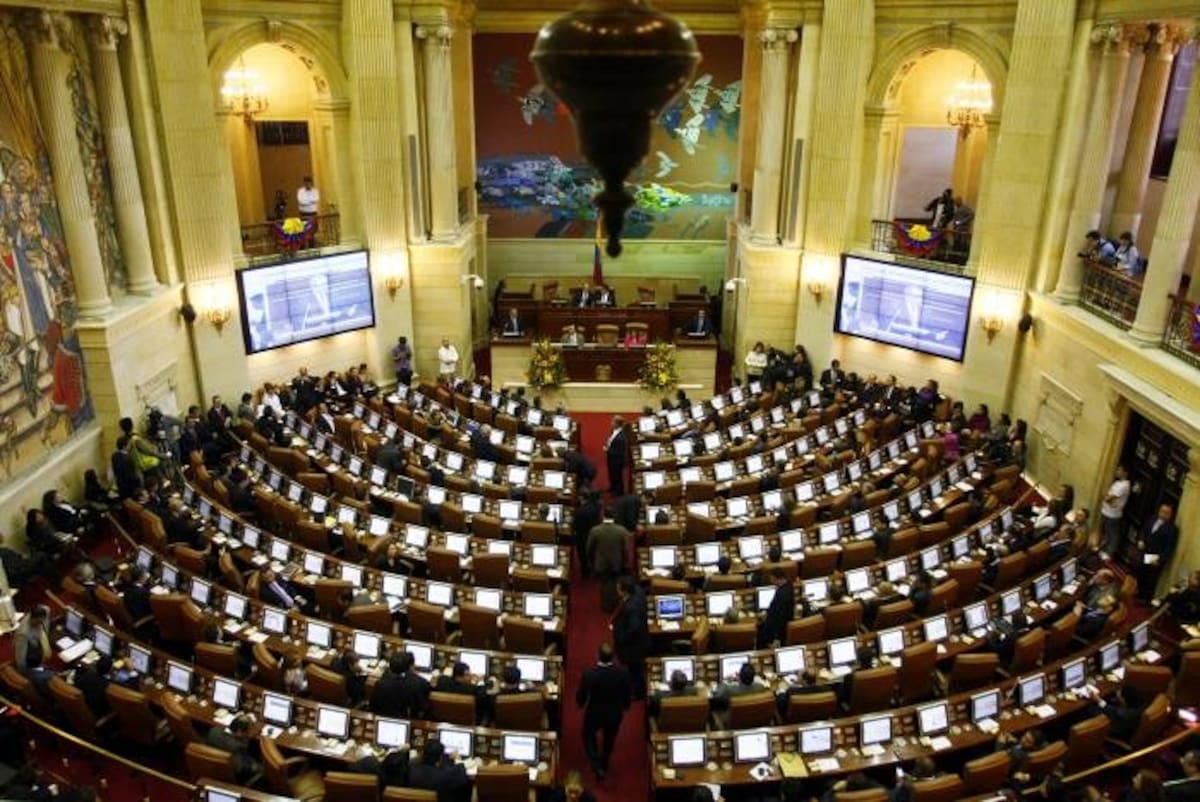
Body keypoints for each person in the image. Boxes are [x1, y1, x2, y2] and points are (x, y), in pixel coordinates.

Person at [575, 642, 632, 780]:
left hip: (595, 713)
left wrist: (580, 703)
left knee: (588, 736)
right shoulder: (623, 672)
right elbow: (627, 693)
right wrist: (625, 705)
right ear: (613, 657)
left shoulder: (590, 674)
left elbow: (581, 694)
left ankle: (596, 765)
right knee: (610, 739)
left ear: (597, 655)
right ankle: (605, 761)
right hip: (614, 713)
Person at [612, 577, 650, 699]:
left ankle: (637, 693)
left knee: (635, 670)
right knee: (636, 668)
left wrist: (621, 637)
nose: (616, 590)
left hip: (634, 646)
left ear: (624, 591)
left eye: (618, 588)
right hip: (641, 638)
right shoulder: (638, 590)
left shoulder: (631, 607)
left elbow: (634, 627)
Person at [586, 511, 629, 612]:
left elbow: (589, 548)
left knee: (604, 584)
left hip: (601, 563)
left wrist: (591, 561)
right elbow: (625, 549)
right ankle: (615, 603)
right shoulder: (622, 530)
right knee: (615, 583)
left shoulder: (595, 530)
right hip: (617, 562)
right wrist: (625, 561)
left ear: (603, 516)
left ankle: (606, 605)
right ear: (614, 516)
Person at [1135, 504, 1178, 601]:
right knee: (1141, 573)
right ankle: (1140, 593)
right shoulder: (1152, 519)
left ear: (1170, 515)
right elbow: (1143, 530)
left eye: (1166, 513)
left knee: (1150, 578)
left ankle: (1145, 598)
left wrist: (1160, 560)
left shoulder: (1172, 529)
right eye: (1162, 511)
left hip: (1155, 556)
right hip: (1145, 552)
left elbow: (1169, 547)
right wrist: (1141, 540)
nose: (1163, 514)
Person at [206, 715, 263, 783]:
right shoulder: (238, 747)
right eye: (248, 732)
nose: (249, 734)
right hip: (233, 773)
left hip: (212, 768)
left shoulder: (213, 731)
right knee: (262, 768)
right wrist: (249, 738)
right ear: (239, 732)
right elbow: (240, 768)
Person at [759, 567, 795, 647]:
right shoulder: (789, 585)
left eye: (772, 579)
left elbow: (778, 618)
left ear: (777, 579)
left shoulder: (781, 595)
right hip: (785, 627)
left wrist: (776, 638)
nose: (771, 581)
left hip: (776, 632)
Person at [1100, 465, 1131, 558]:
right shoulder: (1117, 482)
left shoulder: (1125, 485)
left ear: (1125, 473)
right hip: (1106, 511)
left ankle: (1109, 553)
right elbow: (1105, 494)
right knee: (1107, 533)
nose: (1116, 471)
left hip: (1113, 515)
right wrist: (1107, 498)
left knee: (1113, 535)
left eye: (1119, 470)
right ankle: (1103, 549)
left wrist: (1107, 498)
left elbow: (1108, 497)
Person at [604, 416, 629, 495]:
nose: (611, 423)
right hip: (612, 458)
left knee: (617, 476)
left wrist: (608, 450)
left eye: (613, 422)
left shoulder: (621, 437)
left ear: (617, 424)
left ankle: (618, 491)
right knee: (612, 473)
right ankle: (613, 487)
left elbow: (620, 452)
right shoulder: (614, 431)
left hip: (617, 460)